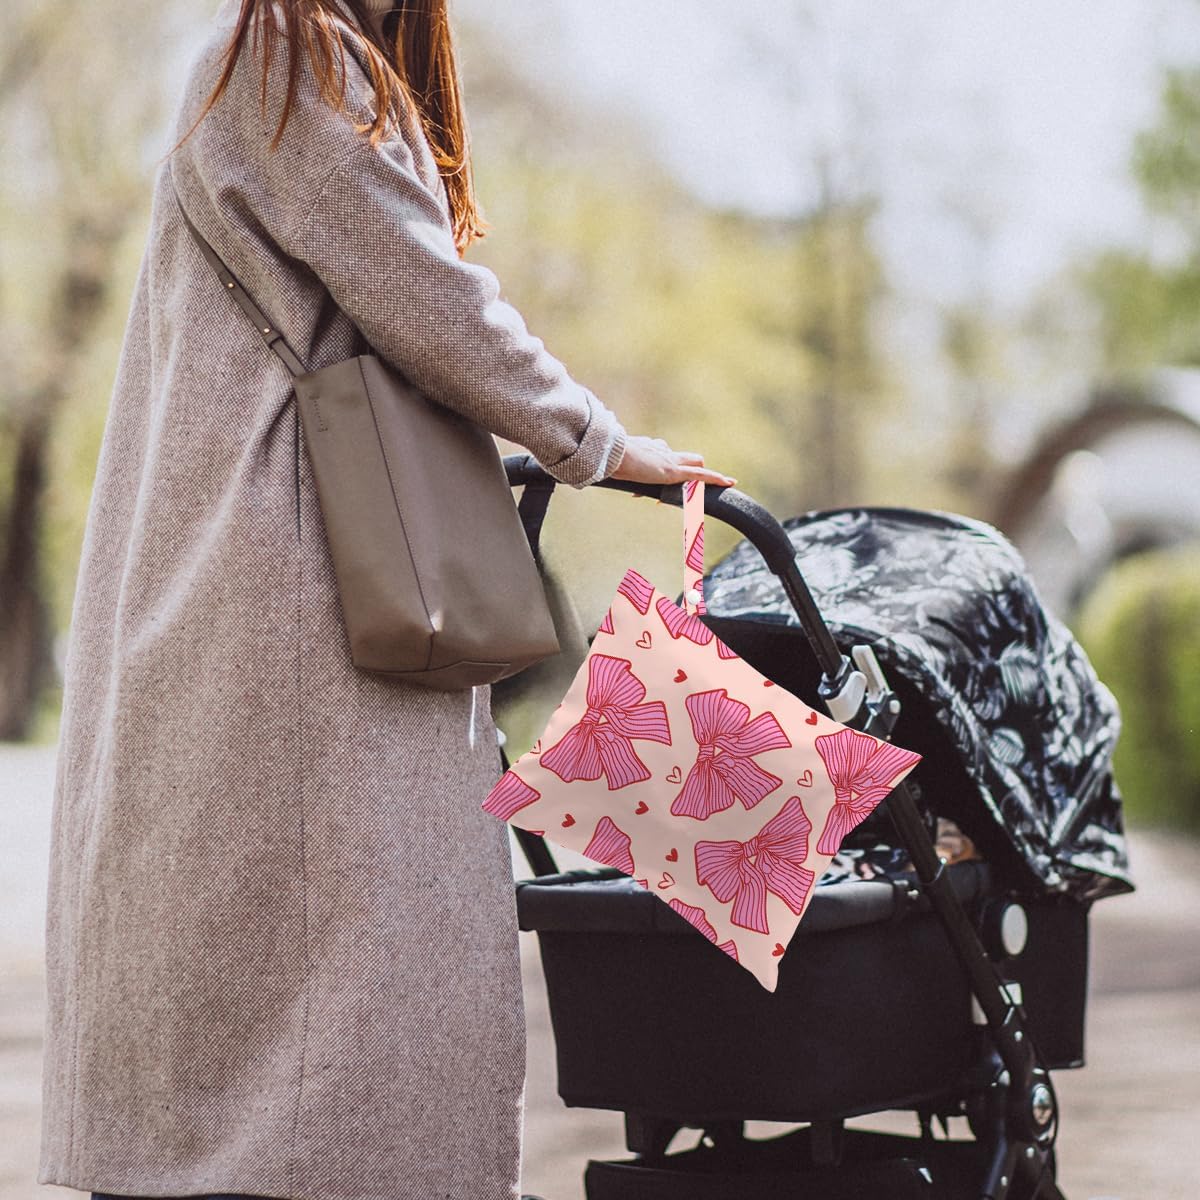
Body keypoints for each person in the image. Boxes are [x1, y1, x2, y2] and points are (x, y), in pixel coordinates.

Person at [37, 0, 735, 1197]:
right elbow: (431, 300)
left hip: (263, 586)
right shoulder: (290, 61)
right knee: (344, 1015)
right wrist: (599, 443)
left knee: (281, 1012)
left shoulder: (264, 65)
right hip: (300, 601)